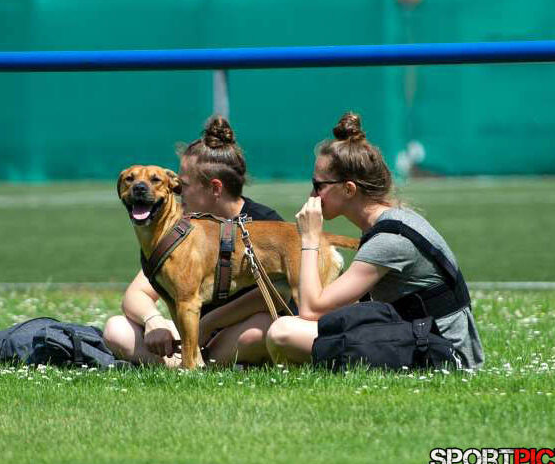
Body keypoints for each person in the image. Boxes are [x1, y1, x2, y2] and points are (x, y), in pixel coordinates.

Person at [266, 112, 484, 370]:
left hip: (442, 353)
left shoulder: (390, 240)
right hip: (421, 338)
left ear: (349, 189)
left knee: (283, 332)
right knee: (269, 332)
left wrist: (310, 238)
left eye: (318, 185)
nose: (312, 194)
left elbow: (312, 309)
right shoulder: (390, 222)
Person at [103, 115, 285, 367]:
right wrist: (153, 320)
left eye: (184, 185)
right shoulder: (179, 226)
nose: (175, 190)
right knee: (117, 329)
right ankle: (195, 361)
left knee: (261, 329)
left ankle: (195, 361)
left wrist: (211, 323)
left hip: (236, 331)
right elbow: (137, 293)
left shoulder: (265, 223)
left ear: (215, 189)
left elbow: (277, 293)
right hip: (193, 331)